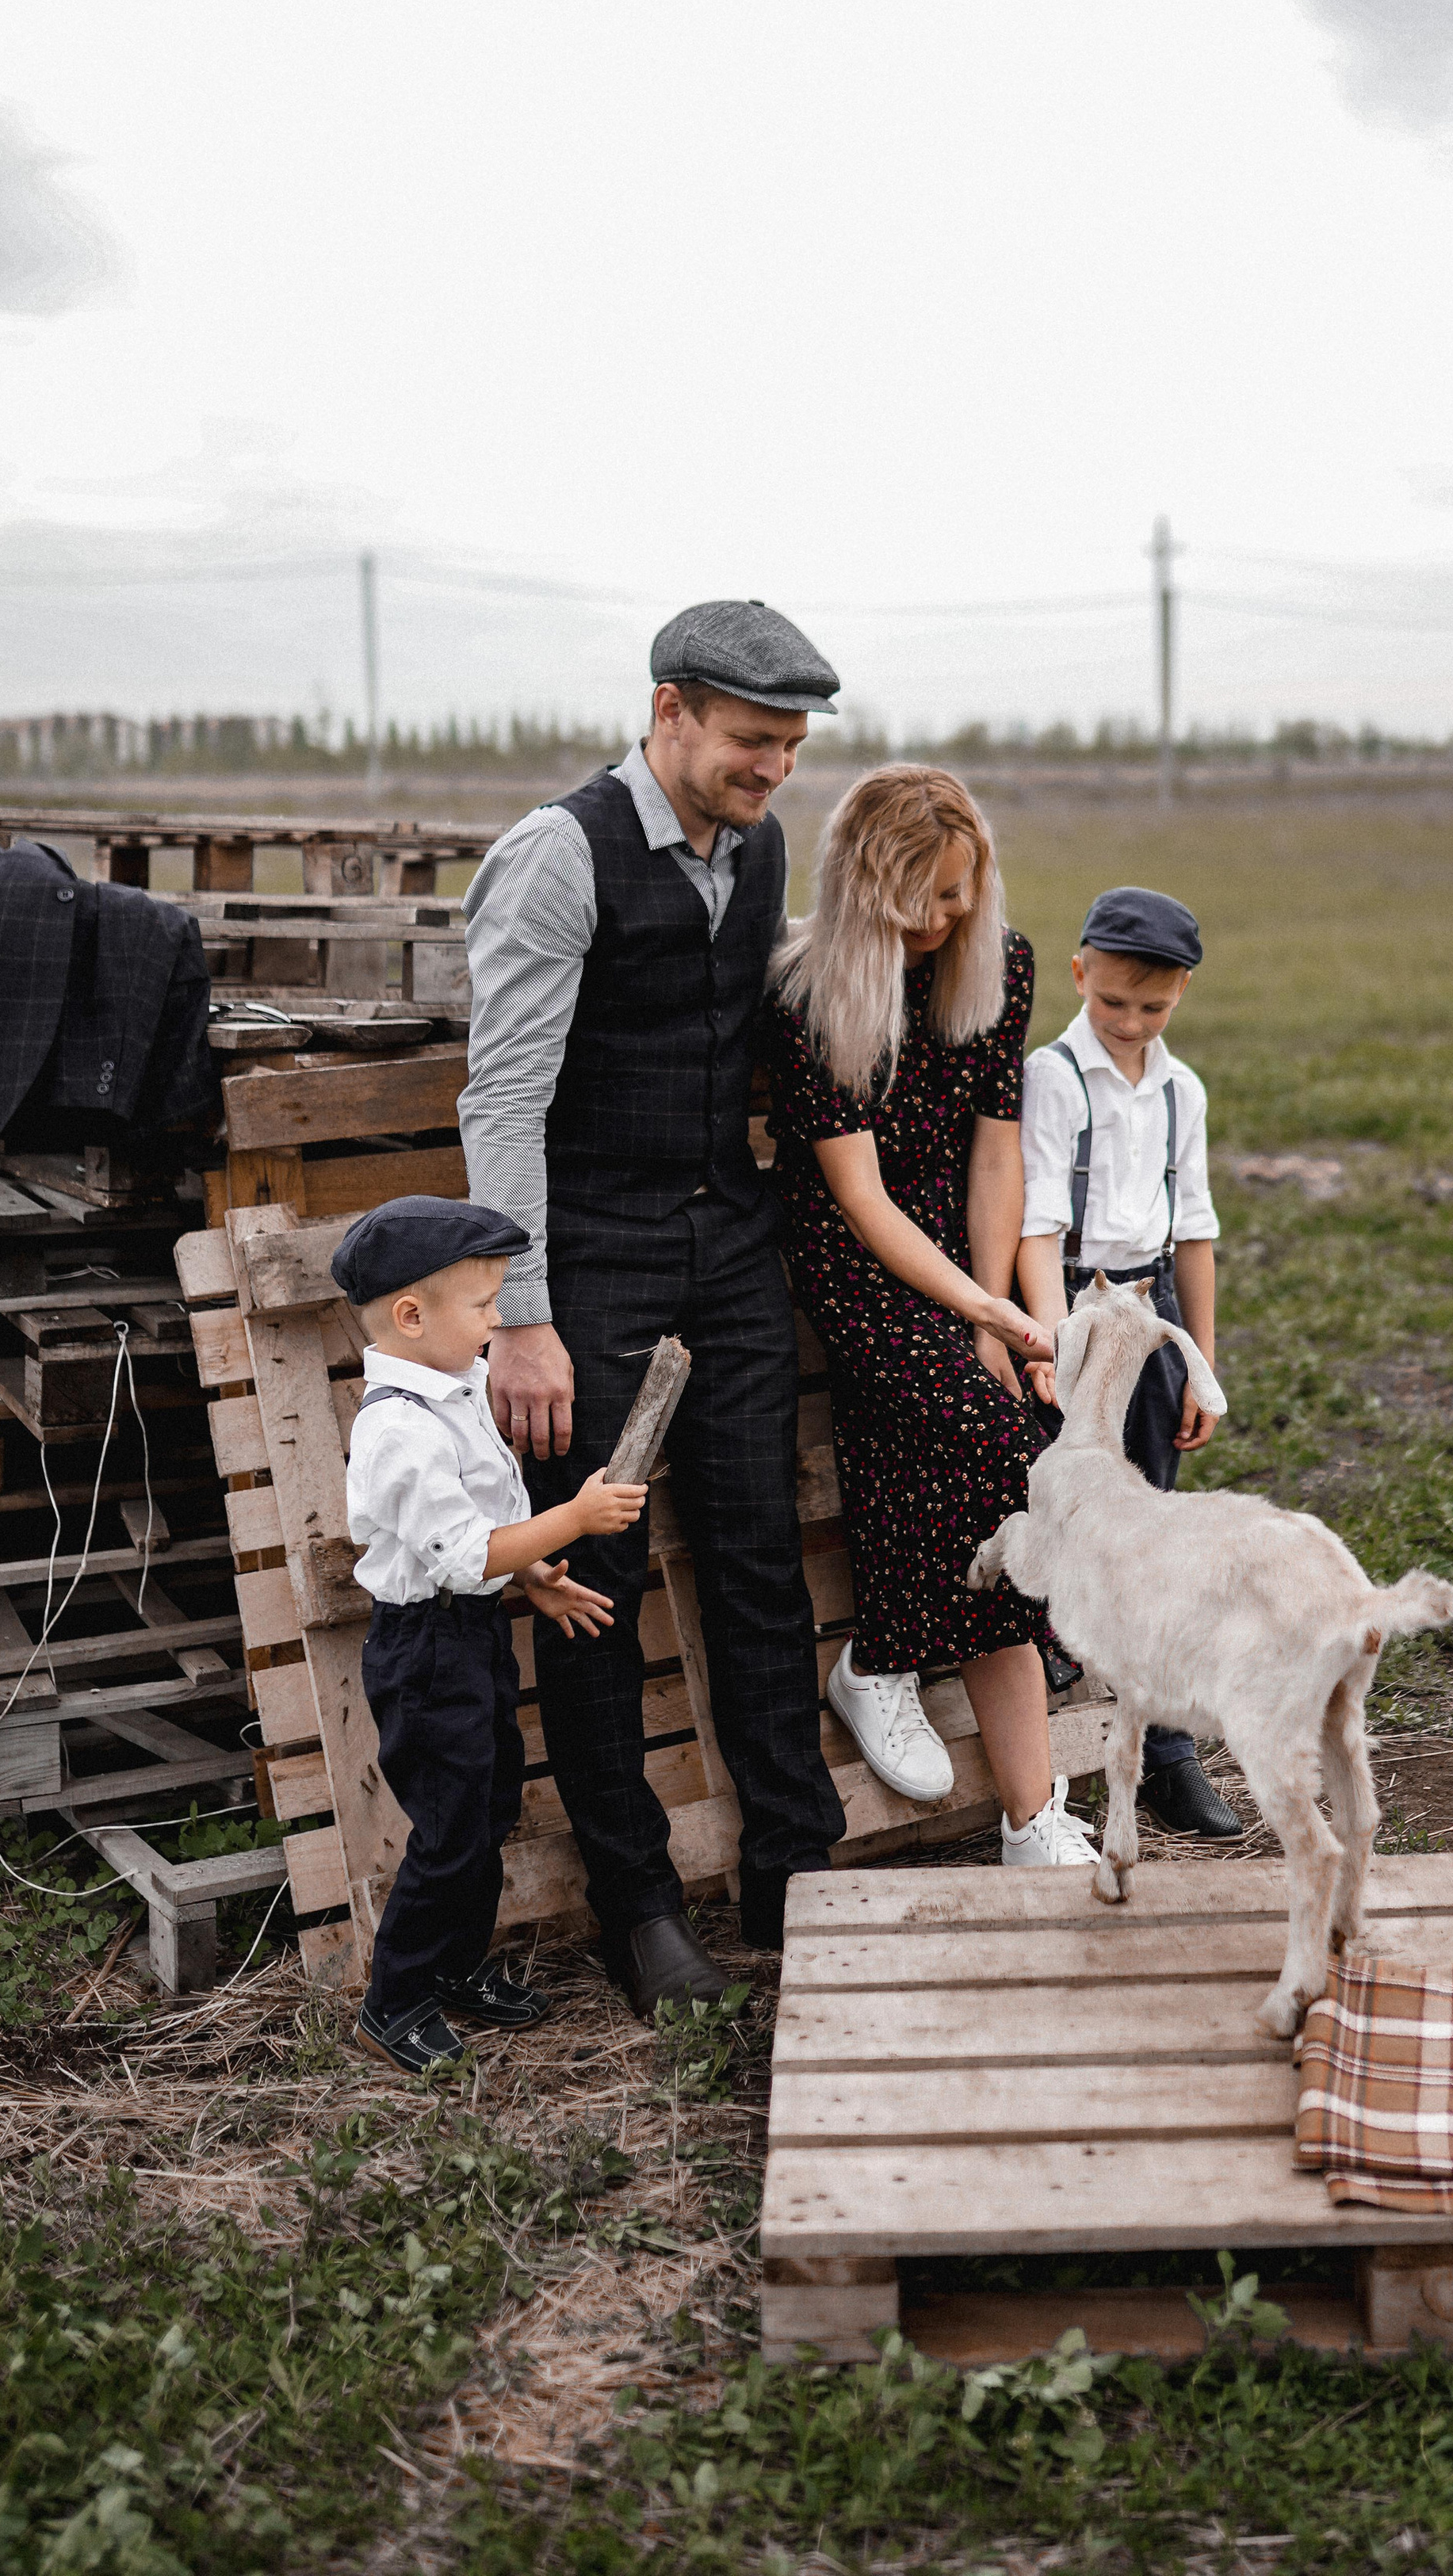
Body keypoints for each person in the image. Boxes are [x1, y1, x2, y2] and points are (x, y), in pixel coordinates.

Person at [459, 601, 848, 2012]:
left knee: (756, 1554)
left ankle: (796, 1875)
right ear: (671, 708)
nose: (775, 772)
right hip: (601, 1263)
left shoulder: (760, 847)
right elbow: (500, 1096)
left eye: (793, 748)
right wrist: (523, 1311)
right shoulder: (555, 857)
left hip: (728, 1246)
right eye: (753, 742)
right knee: (598, 1590)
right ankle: (638, 1906)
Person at [760, 765, 1095, 1865]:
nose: (943, 920)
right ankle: (886, 1656)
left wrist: (992, 1308)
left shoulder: (999, 962)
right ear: (865, 895)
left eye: (960, 895)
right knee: (997, 1438)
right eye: (920, 903)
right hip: (855, 1258)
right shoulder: (807, 994)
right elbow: (856, 1198)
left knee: (999, 1444)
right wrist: (971, 1310)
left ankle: (1020, 1809)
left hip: (958, 1243)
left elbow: (997, 1147)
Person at [334, 1194, 633, 2074]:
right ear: (411, 1315)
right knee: (450, 1827)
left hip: (469, 1632)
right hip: (425, 1651)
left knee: (490, 1804)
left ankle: (453, 1967)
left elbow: (481, 1524)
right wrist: (573, 1520)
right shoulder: (398, 1430)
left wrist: (532, 1576)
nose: (498, 1318)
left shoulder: (454, 1388)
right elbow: (463, 1556)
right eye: (482, 1304)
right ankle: (392, 2002)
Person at [1016, 887, 1240, 1839]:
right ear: (1080, 975)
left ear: (1182, 993)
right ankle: (1053, 1749)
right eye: (1113, 1002)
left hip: (1149, 1319)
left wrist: (1199, 1365)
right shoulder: (1052, 1076)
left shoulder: (1181, 1090)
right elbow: (1037, 1221)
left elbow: (1193, 1234)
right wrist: (1044, 1341)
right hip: (1070, 1314)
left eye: (1152, 1008)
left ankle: (1167, 1755)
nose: (1130, 1022)